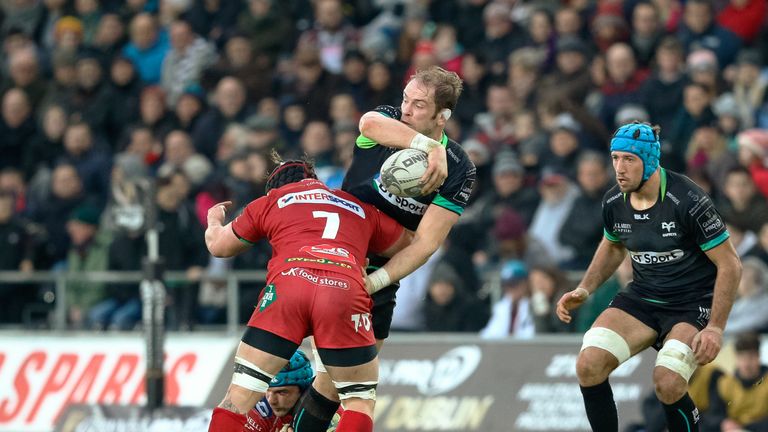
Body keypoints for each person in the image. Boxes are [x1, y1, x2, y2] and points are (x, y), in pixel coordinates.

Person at [292, 65, 476, 431]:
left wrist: (373, 284)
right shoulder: (389, 122)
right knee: (338, 372)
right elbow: (367, 123)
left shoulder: (459, 169)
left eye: (419, 105)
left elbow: (426, 242)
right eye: (406, 98)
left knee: (349, 377)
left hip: (382, 271)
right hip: (338, 250)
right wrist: (425, 146)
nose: (406, 109)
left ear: (443, 115)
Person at [555, 122, 742, 432]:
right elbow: (613, 245)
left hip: (691, 304)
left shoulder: (690, 201)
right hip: (643, 297)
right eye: (615, 158)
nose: (619, 168)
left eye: (629, 159)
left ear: (649, 161)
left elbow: (731, 265)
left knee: (667, 382)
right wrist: (585, 288)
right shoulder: (615, 201)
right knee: (588, 365)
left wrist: (716, 329)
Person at [205, 156, 411, 432]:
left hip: (289, 285)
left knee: (237, 398)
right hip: (344, 288)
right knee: (358, 402)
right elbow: (406, 245)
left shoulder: (273, 200)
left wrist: (214, 221)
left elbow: (220, 247)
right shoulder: (359, 207)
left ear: (274, 187)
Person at [244, 349, 341, 432]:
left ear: (303, 390)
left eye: (282, 392)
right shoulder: (260, 409)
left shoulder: (326, 408)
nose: (271, 401)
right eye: (267, 390)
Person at [702, 332, 768, 432]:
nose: (747, 363)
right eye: (742, 357)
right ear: (736, 358)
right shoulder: (724, 383)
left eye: (751, 357)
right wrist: (723, 422)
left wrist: (746, 428)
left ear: (758, 356)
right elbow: (713, 415)